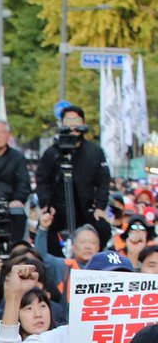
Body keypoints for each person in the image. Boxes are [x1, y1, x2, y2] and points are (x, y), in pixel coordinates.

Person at [35, 105, 112, 254]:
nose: (72, 124)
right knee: (45, 227)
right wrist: (45, 204)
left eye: (76, 120)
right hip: (58, 208)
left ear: (83, 122)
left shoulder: (95, 152)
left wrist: (100, 207)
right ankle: (59, 264)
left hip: (85, 208)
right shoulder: (52, 152)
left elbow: (103, 181)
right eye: (68, 120)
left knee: (103, 228)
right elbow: (41, 179)